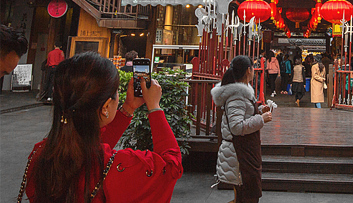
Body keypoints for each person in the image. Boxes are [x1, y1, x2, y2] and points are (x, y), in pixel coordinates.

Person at [20, 51, 183, 203]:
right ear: (105, 106)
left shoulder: (40, 154)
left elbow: (90, 143)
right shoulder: (116, 168)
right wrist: (154, 107)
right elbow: (171, 166)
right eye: (117, 91)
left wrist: (128, 108)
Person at [212, 55, 272, 203]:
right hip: (241, 153)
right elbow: (237, 127)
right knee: (248, 196)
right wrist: (261, 119)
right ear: (248, 71)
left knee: (246, 194)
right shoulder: (237, 95)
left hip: (245, 151)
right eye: (253, 68)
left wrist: (259, 110)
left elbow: (242, 113)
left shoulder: (242, 92)